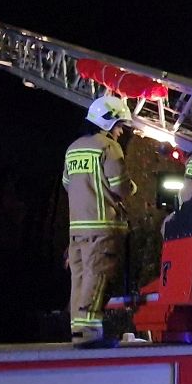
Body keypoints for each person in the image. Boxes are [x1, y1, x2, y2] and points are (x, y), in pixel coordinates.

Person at [64, 96, 136, 346]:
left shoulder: (73, 148)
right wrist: (133, 187)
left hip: (77, 229)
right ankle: (89, 336)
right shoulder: (108, 147)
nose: (120, 132)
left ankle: (78, 333)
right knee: (98, 278)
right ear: (108, 122)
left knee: (80, 280)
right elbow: (120, 187)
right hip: (103, 226)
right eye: (119, 125)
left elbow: (67, 183)